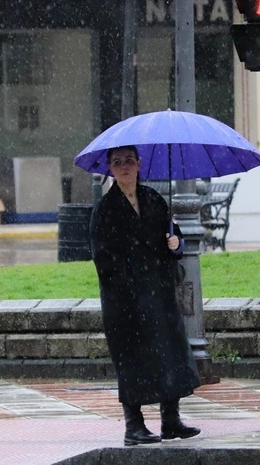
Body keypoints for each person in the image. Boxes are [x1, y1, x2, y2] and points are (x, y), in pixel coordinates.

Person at [90, 145, 201, 446]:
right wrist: (132, 283)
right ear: (110, 168)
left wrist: (175, 243)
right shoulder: (105, 209)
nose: (124, 167)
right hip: (124, 301)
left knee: (170, 353)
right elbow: (104, 258)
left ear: (139, 164)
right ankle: (134, 427)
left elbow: (172, 239)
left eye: (129, 161)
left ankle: (171, 421)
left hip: (159, 294)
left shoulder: (153, 199)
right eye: (117, 162)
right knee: (132, 360)